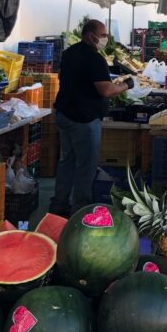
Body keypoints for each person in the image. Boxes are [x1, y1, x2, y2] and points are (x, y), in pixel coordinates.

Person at [50, 20, 133, 217]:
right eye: (103, 35)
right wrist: (126, 85)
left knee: (67, 162)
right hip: (83, 120)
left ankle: (58, 206)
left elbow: (64, 78)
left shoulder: (69, 53)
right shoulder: (94, 59)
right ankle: (80, 211)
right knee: (85, 166)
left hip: (64, 114)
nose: (105, 38)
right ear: (90, 35)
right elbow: (105, 90)